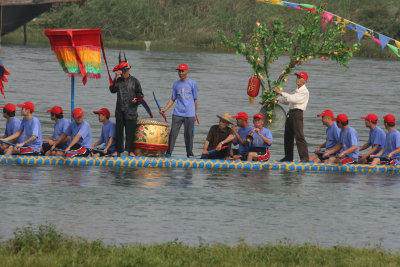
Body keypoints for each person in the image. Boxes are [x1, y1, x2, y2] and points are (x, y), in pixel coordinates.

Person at [159, 63, 198, 157]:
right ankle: (168, 153)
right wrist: (165, 109)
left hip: (189, 114)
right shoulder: (176, 84)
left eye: (182, 71)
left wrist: (195, 114)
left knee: (188, 135)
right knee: (173, 133)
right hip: (177, 113)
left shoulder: (193, 83)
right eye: (179, 71)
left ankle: (189, 153)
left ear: (187, 72)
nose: (180, 73)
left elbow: (195, 99)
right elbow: (173, 99)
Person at [109, 56, 143, 157]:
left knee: (130, 132)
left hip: (131, 110)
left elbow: (140, 95)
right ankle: (118, 150)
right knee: (119, 131)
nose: (123, 74)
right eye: (121, 72)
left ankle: (130, 150)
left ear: (128, 70)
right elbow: (112, 90)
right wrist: (115, 78)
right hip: (120, 110)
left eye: (125, 72)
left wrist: (136, 100)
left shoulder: (135, 81)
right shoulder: (118, 81)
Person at [274, 72, 309, 162]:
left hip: (297, 114)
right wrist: (277, 99)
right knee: (288, 136)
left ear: (304, 81)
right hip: (291, 113)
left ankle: (304, 158)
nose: (297, 79)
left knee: (299, 136)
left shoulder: (305, 92)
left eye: (300, 77)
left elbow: (293, 99)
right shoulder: (296, 91)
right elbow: (287, 100)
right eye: (297, 77)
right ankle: (288, 157)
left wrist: (280, 92)